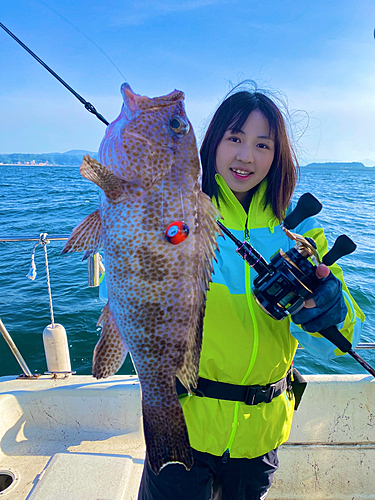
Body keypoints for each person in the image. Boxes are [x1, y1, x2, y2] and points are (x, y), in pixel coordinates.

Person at [137, 84, 365, 500]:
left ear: (278, 156)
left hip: (260, 435)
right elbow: (123, 302)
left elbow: (331, 349)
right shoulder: (177, 221)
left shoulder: (303, 237)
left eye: (263, 144)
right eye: (235, 139)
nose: (246, 156)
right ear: (212, 144)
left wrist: (331, 311)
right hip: (181, 424)